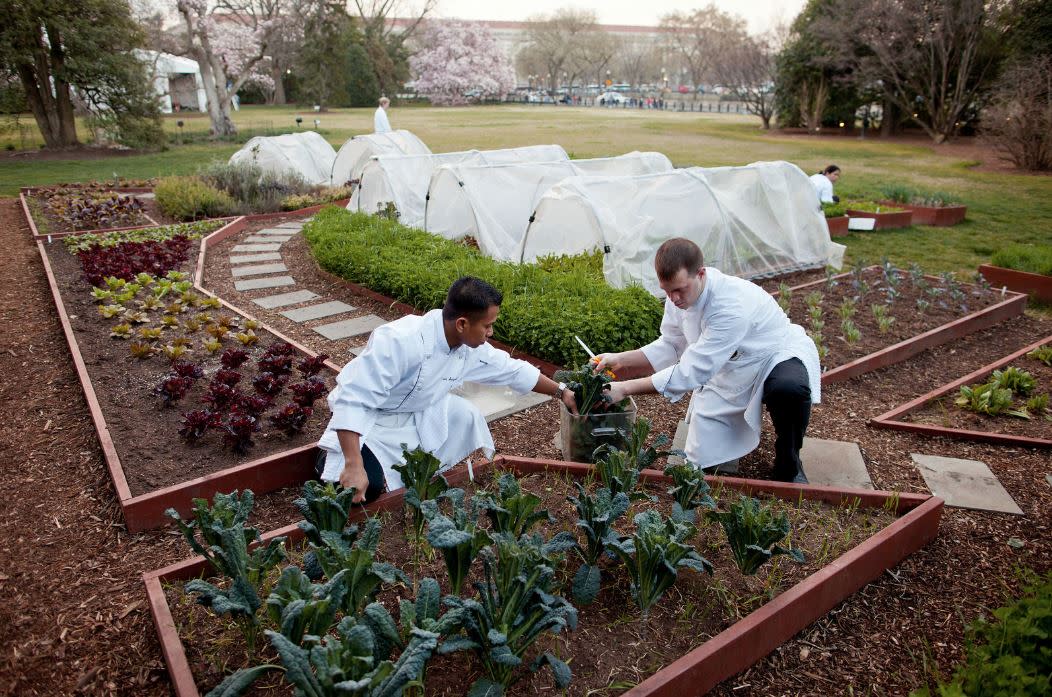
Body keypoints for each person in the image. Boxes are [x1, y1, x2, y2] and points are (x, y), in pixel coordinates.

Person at [317, 276, 578, 503]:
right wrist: (353, 463)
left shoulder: (467, 347)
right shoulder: (401, 340)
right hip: (372, 420)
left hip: (415, 413)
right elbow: (355, 398)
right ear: (462, 324)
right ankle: (331, 459)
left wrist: (562, 392)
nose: (491, 332)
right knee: (361, 487)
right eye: (487, 326)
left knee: (463, 415)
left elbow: (512, 370)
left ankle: (413, 472)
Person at [593, 238, 820, 483]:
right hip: (728, 365)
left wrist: (625, 388)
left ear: (700, 274)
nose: (674, 298)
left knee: (789, 389)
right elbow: (671, 344)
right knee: (701, 458)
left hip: (771, 355)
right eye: (667, 290)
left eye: (679, 289)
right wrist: (621, 360)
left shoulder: (730, 306)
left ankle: (790, 461)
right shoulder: (677, 298)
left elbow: (692, 370)